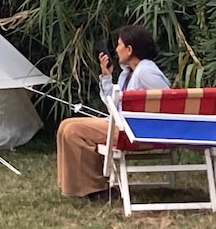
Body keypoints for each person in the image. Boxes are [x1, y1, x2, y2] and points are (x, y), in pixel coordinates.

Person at [56, 24, 171, 200]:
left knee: (73, 130)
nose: (116, 50)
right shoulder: (128, 73)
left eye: (119, 45)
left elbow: (168, 99)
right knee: (66, 125)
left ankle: (96, 188)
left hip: (134, 131)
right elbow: (113, 104)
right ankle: (78, 187)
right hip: (121, 124)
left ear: (129, 49)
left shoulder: (146, 71)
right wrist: (107, 76)